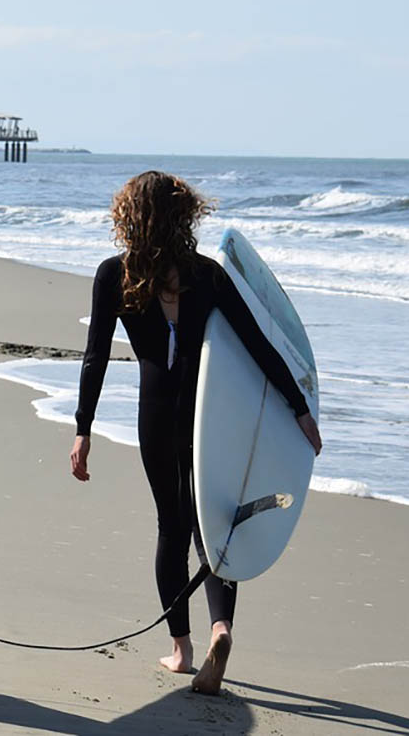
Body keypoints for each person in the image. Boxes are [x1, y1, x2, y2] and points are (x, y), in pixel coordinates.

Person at [69, 171, 322, 695]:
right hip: (208, 414)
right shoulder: (205, 275)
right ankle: (221, 628)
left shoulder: (113, 274)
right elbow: (256, 344)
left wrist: (83, 429)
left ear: (129, 217)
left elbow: (95, 356)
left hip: (156, 413)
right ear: (184, 215)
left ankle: (181, 650)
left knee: (172, 526)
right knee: (216, 524)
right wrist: (299, 408)